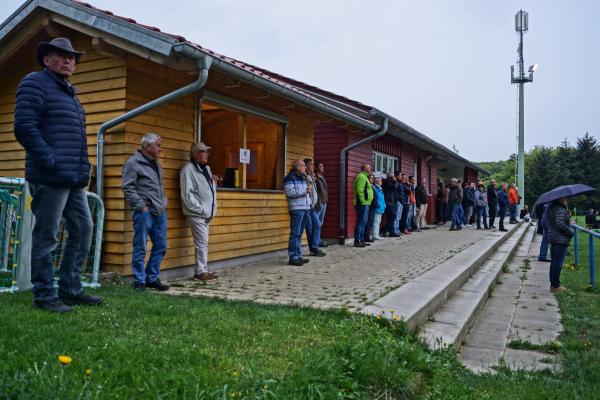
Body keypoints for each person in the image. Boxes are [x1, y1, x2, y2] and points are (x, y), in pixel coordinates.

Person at [13, 37, 102, 313]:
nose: (68, 61)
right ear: (46, 60)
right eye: (61, 55)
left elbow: (77, 140)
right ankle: (44, 295)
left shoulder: (70, 94)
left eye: (72, 57)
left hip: (73, 178)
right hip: (49, 176)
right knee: (47, 236)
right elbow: (25, 128)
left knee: (84, 229)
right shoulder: (34, 83)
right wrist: (50, 160)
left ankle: (71, 289)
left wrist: (82, 170)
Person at [122, 133, 170, 291]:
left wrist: (163, 204)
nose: (160, 149)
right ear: (148, 147)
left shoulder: (156, 163)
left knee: (161, 245)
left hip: (160, 211)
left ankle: (152, 277)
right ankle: (139, 281)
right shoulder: (133, 162)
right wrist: (141, 206)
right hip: (144, 211)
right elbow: (128, 188)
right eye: (158, 145)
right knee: (140, 246)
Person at [180, 142, 218, 282]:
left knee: (203, 242)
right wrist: (201, 209)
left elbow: (207, 190)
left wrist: (214, 182)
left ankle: (203, 270)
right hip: (197, 213)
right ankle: (200, 272)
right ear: (195, 154)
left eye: (207, 152)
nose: (206, 154)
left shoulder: (206, 169)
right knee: (202, 242)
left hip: (206, 214)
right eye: (203, 152)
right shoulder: (188, 170)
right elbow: (186, 195)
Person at [284, 160, 311, 266]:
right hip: (296, 208)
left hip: (305, 208)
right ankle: (293, 257)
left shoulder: (303, 178)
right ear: (297, 167)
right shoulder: (289, 178)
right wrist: (305, 192)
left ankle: (298, 255)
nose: (305, 167)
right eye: (303, 166)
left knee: (299, 234)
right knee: (295, 233)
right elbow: (290, 192)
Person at [546, 197, 573, 293]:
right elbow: (559, 223)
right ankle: (555, 286)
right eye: (565, 198)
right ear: (560, 199)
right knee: (558, 263)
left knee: (554, 263)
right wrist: (570, 232)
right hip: (560, 240)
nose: (566, 200)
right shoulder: (560, 209)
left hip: (554, 238)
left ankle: (554, 285)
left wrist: (567, 215)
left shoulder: (552, 207)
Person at [303, 158, 326, 256]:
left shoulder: (312, 177)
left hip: (314, 206)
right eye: (311, 165)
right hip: (307, 206)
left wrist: (318, 204)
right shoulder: (304, 177)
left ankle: (315, 247)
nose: (313, 166)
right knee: (310, 228)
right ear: (306, 166)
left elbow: (315, 192)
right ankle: (313, 248)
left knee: (316, 225)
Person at [353, 163, 374, 247]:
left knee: (364, 222)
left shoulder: (364, 176)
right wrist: (363, 201)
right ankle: (357, 240)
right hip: (362, 203)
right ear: (364, 168)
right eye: (369, 168)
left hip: (366, 203)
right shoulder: (362, 177)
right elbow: (359, 190)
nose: (370, 169)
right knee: (360, 222)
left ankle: (361, 239)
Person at [314, 161, 329, 247]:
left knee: (321, 222)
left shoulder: (322, 177)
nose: (322, 168)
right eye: (320, 166)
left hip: (324, 202)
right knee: (317, 223)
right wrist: (318, 202)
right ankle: (317, 241)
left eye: (322, 166)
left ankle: (318, 239)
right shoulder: (315, 178)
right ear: (316, 168)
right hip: (319, 203)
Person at [382, 172, 400, 237]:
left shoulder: (390, 182)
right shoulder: (386, 182)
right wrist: (395, 181)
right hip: (387, 202)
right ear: (390, 177)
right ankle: (385, 229)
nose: (394, 178)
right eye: (393, 176)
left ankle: (391, 232)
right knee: (393, 216)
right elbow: (394, 187)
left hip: (391, 202)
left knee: (391, 217)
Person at [372, 175, 386, 239]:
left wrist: (384, 205)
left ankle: (377, 234)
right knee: (376, 221)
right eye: (380, 181)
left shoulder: (380, 189)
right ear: (377, 182)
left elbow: (382, 199)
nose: (381, 182)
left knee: (378, 221)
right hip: (377, 207)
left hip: (381, 207)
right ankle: (375, 235)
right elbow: (376, 198)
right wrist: (379, 205)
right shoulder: (376, 189)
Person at [364, 174, 376, 242]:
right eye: (370, 178)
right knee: (368, 221)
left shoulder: (373, 186)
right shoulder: (367, 185)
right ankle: (366, 236)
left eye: (372, 178)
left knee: (371, 221)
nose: (372, 179)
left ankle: (368, 235)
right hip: (369, 204)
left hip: (373, 204)